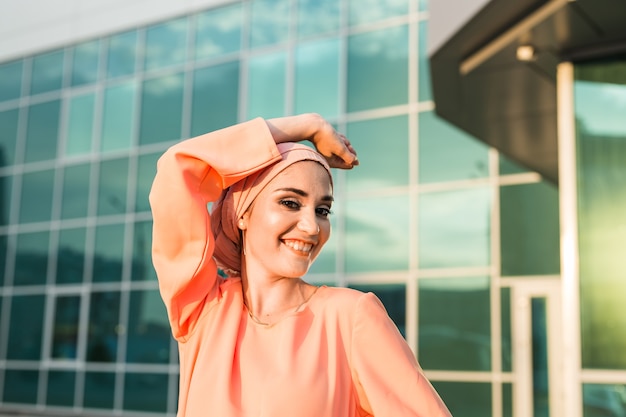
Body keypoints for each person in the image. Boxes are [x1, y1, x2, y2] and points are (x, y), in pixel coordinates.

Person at [149, 113, 452, 417]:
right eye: (290, 203)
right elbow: (177, 171)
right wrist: (309, 125)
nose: (311, 226)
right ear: (243, 213)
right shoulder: (204, 310)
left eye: (322, 210)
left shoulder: (351, 318)